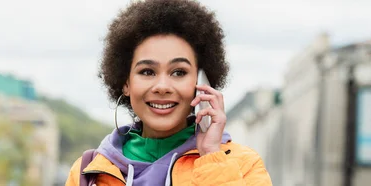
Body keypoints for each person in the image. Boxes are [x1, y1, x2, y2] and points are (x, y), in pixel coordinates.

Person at [65, 0, 272, 185]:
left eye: (178, 72)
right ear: (126, 82)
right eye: (147, 71)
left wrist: (211, 158)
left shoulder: (244, 166)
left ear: (201, 82)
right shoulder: (87, 173)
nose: (162, 86)